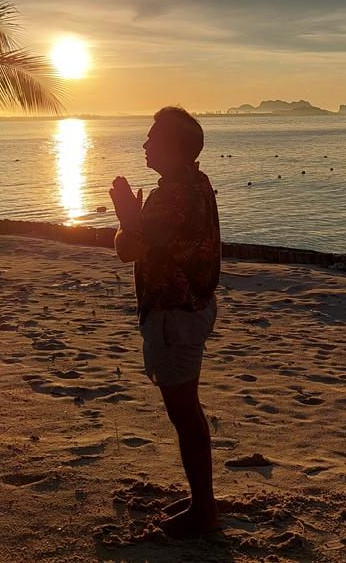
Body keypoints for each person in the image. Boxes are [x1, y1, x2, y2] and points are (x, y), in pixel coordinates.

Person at [110, 106, 222, 537]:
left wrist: (125, 218)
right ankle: (202, 499)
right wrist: (135, 221)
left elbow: (128, 249)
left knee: (183, 410)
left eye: (152, 136)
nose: (145, 143)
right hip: (192, 306)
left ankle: (203, 510)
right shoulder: (196, 183)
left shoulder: (174, 196)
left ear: (174, 147)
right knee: (186, 407)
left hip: (176, 312)